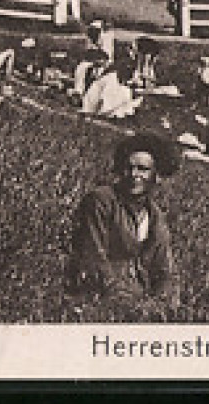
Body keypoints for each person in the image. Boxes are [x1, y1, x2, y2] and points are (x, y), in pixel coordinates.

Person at [63, 133, 181, 312]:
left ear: (156, 175)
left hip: (140, 302)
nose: (135, 175)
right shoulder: (101, 201)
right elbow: (93, 259)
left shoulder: (155, 217)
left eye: (143, 169)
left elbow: (165, 269)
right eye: (129, 168)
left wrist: (163, 305)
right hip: (98, 298)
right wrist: (126, 303)